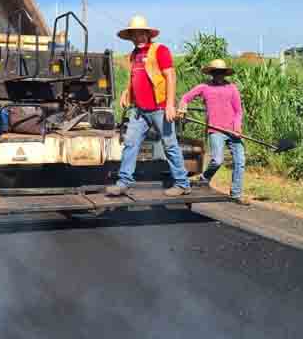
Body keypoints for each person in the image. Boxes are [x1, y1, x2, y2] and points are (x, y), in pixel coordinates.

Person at [106, 15, 191, 197]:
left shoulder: (160, 50)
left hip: (160, 109)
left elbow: (170, 76)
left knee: (170, 145)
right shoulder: (134, 55)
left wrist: (170, 104)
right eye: (134, 35)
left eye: (140, 34)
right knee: (130, 143)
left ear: (147, 34)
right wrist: (126, 93)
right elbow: (134, 77)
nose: (138, 37)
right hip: (140, 110)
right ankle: (123, 182)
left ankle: (182, 184)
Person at [178, 59, 247, 205]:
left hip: (233, 131)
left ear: (225, 73)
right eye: (216, 72)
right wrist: (182, 107)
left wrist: (237, 127)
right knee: (217, 160)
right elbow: (185, 97)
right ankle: (204, 179)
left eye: (221, 72)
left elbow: (238, 111)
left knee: (240, 161)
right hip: (216, 130)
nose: (218, 75)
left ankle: (236, 194)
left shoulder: (232, 88)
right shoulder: (204, 87)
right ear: (211, 73)